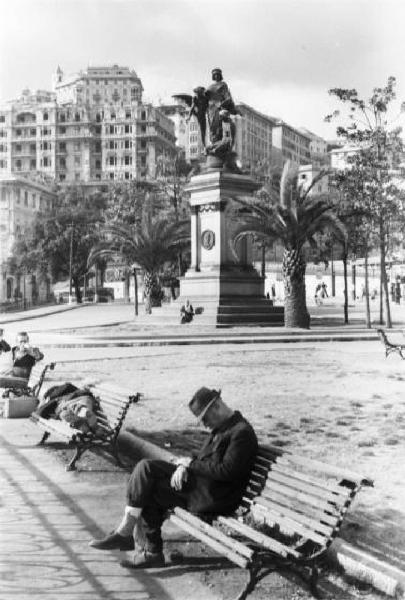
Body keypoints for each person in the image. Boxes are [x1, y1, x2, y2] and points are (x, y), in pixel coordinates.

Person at [89, 387, 258, 569]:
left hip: (216, 497)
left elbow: (227, 471)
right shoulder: (224, 427)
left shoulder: (241, 433)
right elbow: (205, 458)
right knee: (147, 473)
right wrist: (183, 465)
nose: (204, 425)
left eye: (205, 419)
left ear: (216, 406)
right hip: (203, 488)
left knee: (148, 479)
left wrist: (190, 465)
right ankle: (141, 545)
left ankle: (137, 541)